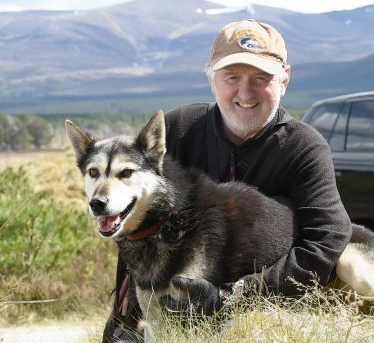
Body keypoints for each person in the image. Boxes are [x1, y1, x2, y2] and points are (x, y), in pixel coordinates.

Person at [103, 19, 352, 341]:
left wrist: (236, 294)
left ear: (284, 79)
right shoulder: (179, 129)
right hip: (166, 311)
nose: (245, 92)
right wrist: (126, 318)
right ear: (212, 79)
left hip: (264, 312)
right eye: (232, 77)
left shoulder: (303, 146)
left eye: (261, 78)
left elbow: (328, 237)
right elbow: (133, 223)